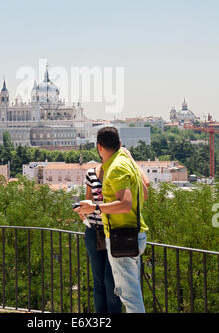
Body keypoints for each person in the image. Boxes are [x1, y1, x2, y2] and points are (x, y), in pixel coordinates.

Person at [75, 127, 149, 313]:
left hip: (121, 236)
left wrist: (95, 207)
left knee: (128, 296)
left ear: (99, 147)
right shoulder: (125, 162)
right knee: (129, 292)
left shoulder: (115, 168)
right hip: (131, 233)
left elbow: (125, 204)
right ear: (120, 144)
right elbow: (145, 190)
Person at [75, 164, 122, 313]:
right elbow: (89, 199)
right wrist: (82, 210)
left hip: (114, 231)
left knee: (112, 281)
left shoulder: (118, 172)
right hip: (94, 230)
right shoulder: (91, 173)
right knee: (98, 281)